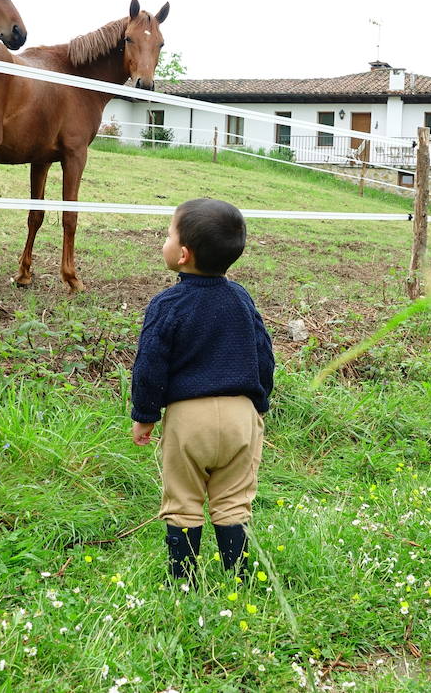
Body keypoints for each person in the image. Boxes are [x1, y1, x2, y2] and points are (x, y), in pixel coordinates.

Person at [131, 198, 275, 585]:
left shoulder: (167, 304)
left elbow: (150, 364)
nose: (164, 240)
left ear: (182, 254)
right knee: (232, 502)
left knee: (182, 503)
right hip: (240, 416)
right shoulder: (241, 299)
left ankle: (183, 581)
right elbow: (264, 353)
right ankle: (239, 580)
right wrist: (258, 404)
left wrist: (145, 415)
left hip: (187, 419)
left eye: (168, 234)